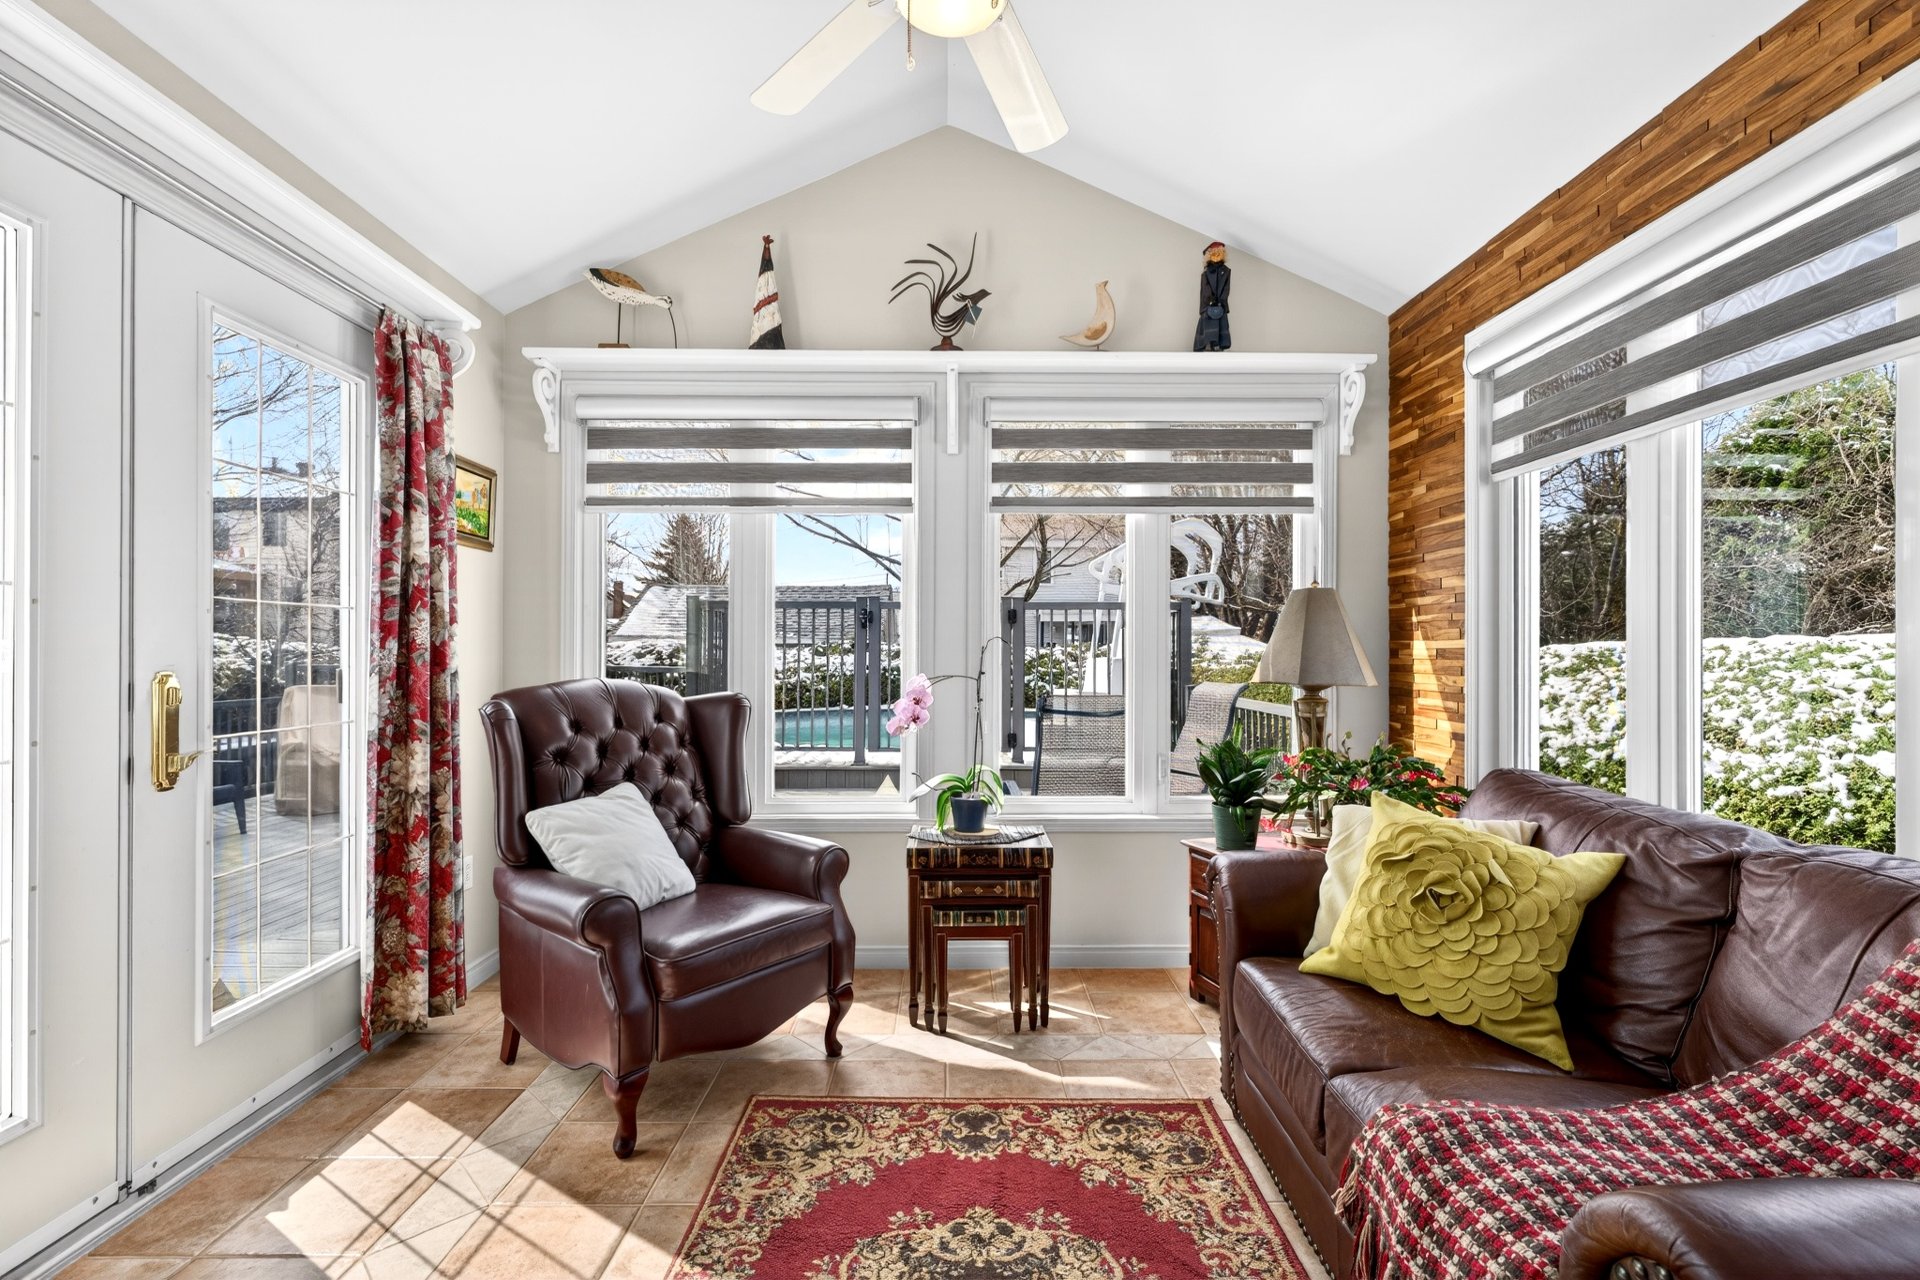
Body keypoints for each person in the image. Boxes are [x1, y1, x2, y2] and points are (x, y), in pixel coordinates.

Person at [1194, 240, 1231, 351]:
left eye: (1219, 253)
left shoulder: (1226, 271)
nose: (1216, 256)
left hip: (1221, 304)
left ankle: (1218, 345)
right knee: (1208, 324)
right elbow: (1205, 287)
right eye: (1214, 254)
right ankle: (1205, 345)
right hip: (1208, 304)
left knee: (1221, 324)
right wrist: (1210, 299)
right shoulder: (1206, 272)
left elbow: (1226, 288)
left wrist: (1221, 300)